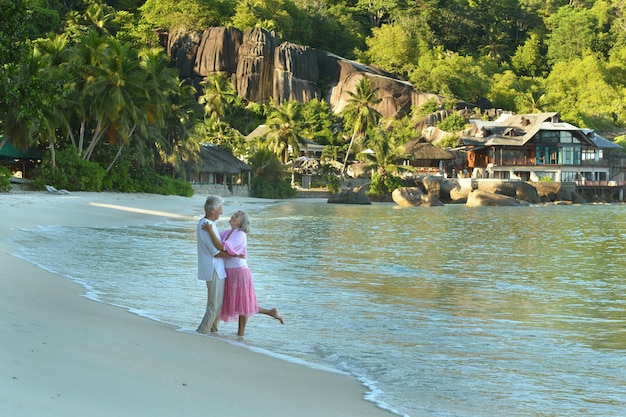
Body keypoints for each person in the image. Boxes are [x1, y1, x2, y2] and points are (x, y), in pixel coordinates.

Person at [202, 211, 283, 337]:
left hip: (239, 272)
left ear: (242, 222)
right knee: (234, 302)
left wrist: (209, 230)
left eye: (237, 216)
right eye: (234, 215)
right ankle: (271, 312)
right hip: (229, 271)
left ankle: (241, 334)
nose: (233, 217)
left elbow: (221, 247)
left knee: (243, 302)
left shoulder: (240, 235)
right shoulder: (228, 232)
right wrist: (209, 229)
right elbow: (216, 243)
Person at [196, 195, 227, 334]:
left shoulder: (210, 225)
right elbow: (215, 251)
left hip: (217, 268)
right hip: (212, 268)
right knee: (214, 304)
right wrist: (235, 256)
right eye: (220, 209)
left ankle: (214, 330)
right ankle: (202, 331)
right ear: (213, 209)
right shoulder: (205, 225)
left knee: (217, 304)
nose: (222, 212)